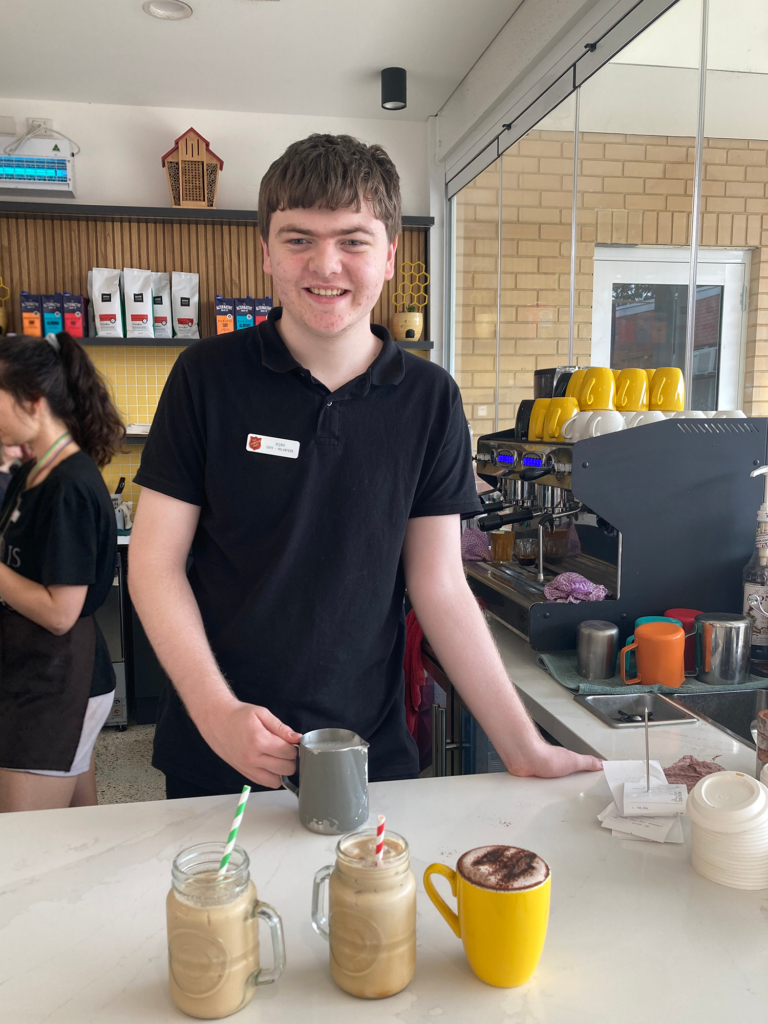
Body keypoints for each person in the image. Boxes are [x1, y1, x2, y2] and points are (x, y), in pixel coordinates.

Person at [130, 134, 602, 800]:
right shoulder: (206, 377)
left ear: (388, 256)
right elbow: (153, 562)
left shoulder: (430, 398)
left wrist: (521, 745)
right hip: (221, 746)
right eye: (298, 239)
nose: (326, 265)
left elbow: (437, 585)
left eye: (353, 239)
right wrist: (215, 711)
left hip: (368, 751)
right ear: (266, 252)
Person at [0, 332, 124, 812]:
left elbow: (60, 613)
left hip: (59, 684)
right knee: (78, 834)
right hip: (40, 674)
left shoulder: (68, 486)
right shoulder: (36, 474)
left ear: (33, 401)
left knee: (25, 849)